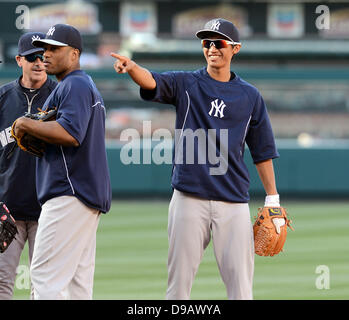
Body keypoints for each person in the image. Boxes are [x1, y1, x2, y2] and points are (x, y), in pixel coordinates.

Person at [111, 18, 282, 300]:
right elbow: (152, 80)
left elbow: (263, 151)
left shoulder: (250, 96)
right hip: (189, 197)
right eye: (206, 43)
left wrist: (273, 199)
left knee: (241, 288)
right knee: (178, 287)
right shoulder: (186, 83)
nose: (212, 48)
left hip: (233, 200)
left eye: (219, 43)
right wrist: (132, 69)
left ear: (235, 48)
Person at [12, 24, 111, 300]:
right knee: (77, 287)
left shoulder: (75, 84)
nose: (46, 54)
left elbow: (71, 133)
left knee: (45, 281)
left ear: (75, 54)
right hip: (83, 197)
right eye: (45, 48)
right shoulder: (78, 85)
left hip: (68, 193)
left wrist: (25, 123)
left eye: (55, 49)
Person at [0, 32, 57, 299]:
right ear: (19, 60)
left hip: (47, 207)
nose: (39, 61)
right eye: (32, 56)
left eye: (43, 56)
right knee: (1, 283)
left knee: (44, 286)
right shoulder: (3, 97)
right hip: (7, 206)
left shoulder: (60, 95)